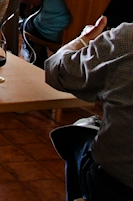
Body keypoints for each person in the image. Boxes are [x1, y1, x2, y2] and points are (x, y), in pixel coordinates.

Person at [45, 16, 133, 200]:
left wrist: (83, 40)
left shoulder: (126, 39)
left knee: (77, 134)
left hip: (115, 185)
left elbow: (57, 70)